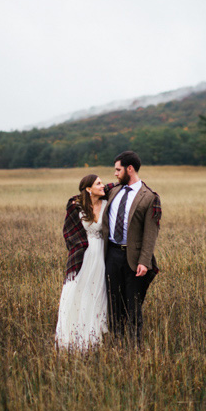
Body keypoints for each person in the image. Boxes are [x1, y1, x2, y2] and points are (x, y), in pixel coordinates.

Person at [103, 150, 161, 345]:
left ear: (130, 169)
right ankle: (116, 345)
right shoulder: (113, 190)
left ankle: (134, 347)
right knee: (113, 304)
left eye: (118, 170)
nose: (115, 173)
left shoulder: (149, 197)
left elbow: (151, 233)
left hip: (134, 259)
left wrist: (144, 261)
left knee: (133, 305)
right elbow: (89, 193)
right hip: (111, 255)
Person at [55, 174, 110, 350]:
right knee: (78, 292)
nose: (103, 186)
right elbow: (68, 232)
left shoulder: (107, 204)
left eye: (102, 183)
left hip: (102, 255)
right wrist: (78, 248)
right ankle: (72, 338)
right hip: (83, 255)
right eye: (98, 183)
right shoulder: (76, 206)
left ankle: (93, 339)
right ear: (88, 189)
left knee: (97, 294)